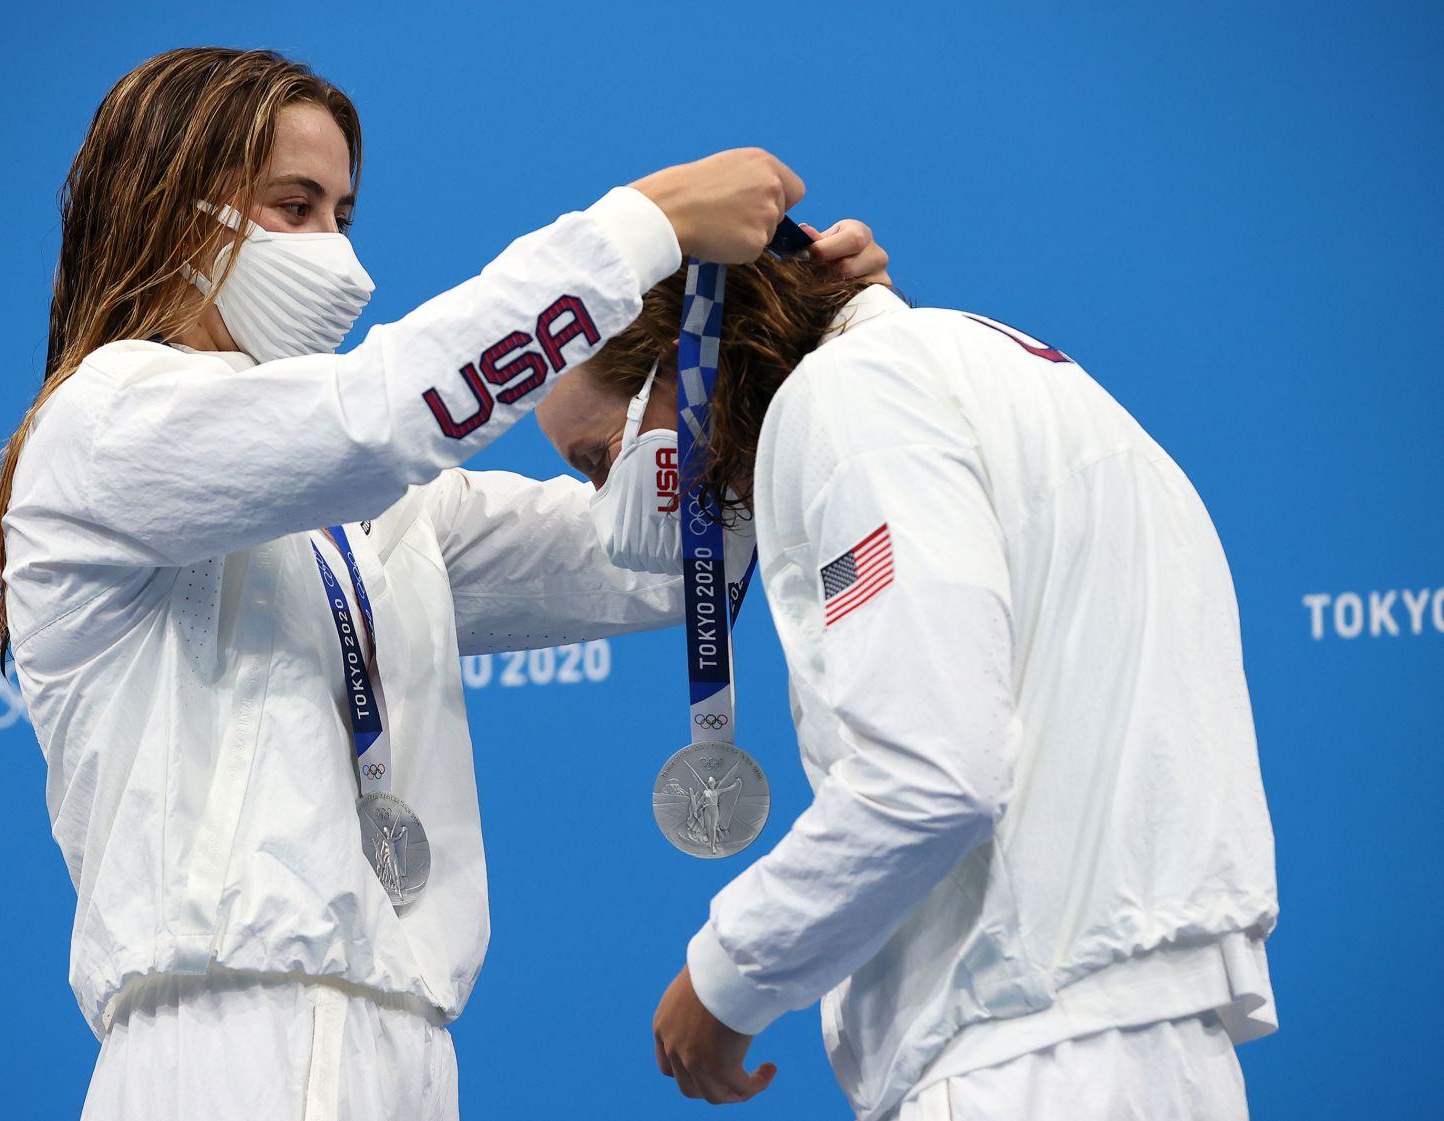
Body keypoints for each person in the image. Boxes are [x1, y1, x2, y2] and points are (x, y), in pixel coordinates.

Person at [0, 46, 891, 1120]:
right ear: (168, 213)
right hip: (219, 1042)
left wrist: (798, 330)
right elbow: (382, 418)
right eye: (293, 205)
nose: (336, 256)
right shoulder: (108, 426)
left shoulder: (380, 517)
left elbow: (659, 558)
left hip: (410, 1047)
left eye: (343, 213)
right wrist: (646, 224)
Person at [535, 255, 1279, 1119]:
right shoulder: (992, 372)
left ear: (682, 356)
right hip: (1152, 1040)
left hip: (1024, 1048)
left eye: (599, 459)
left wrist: (728, 973)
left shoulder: (852, 401)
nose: (608, 496)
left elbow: (933, 772)